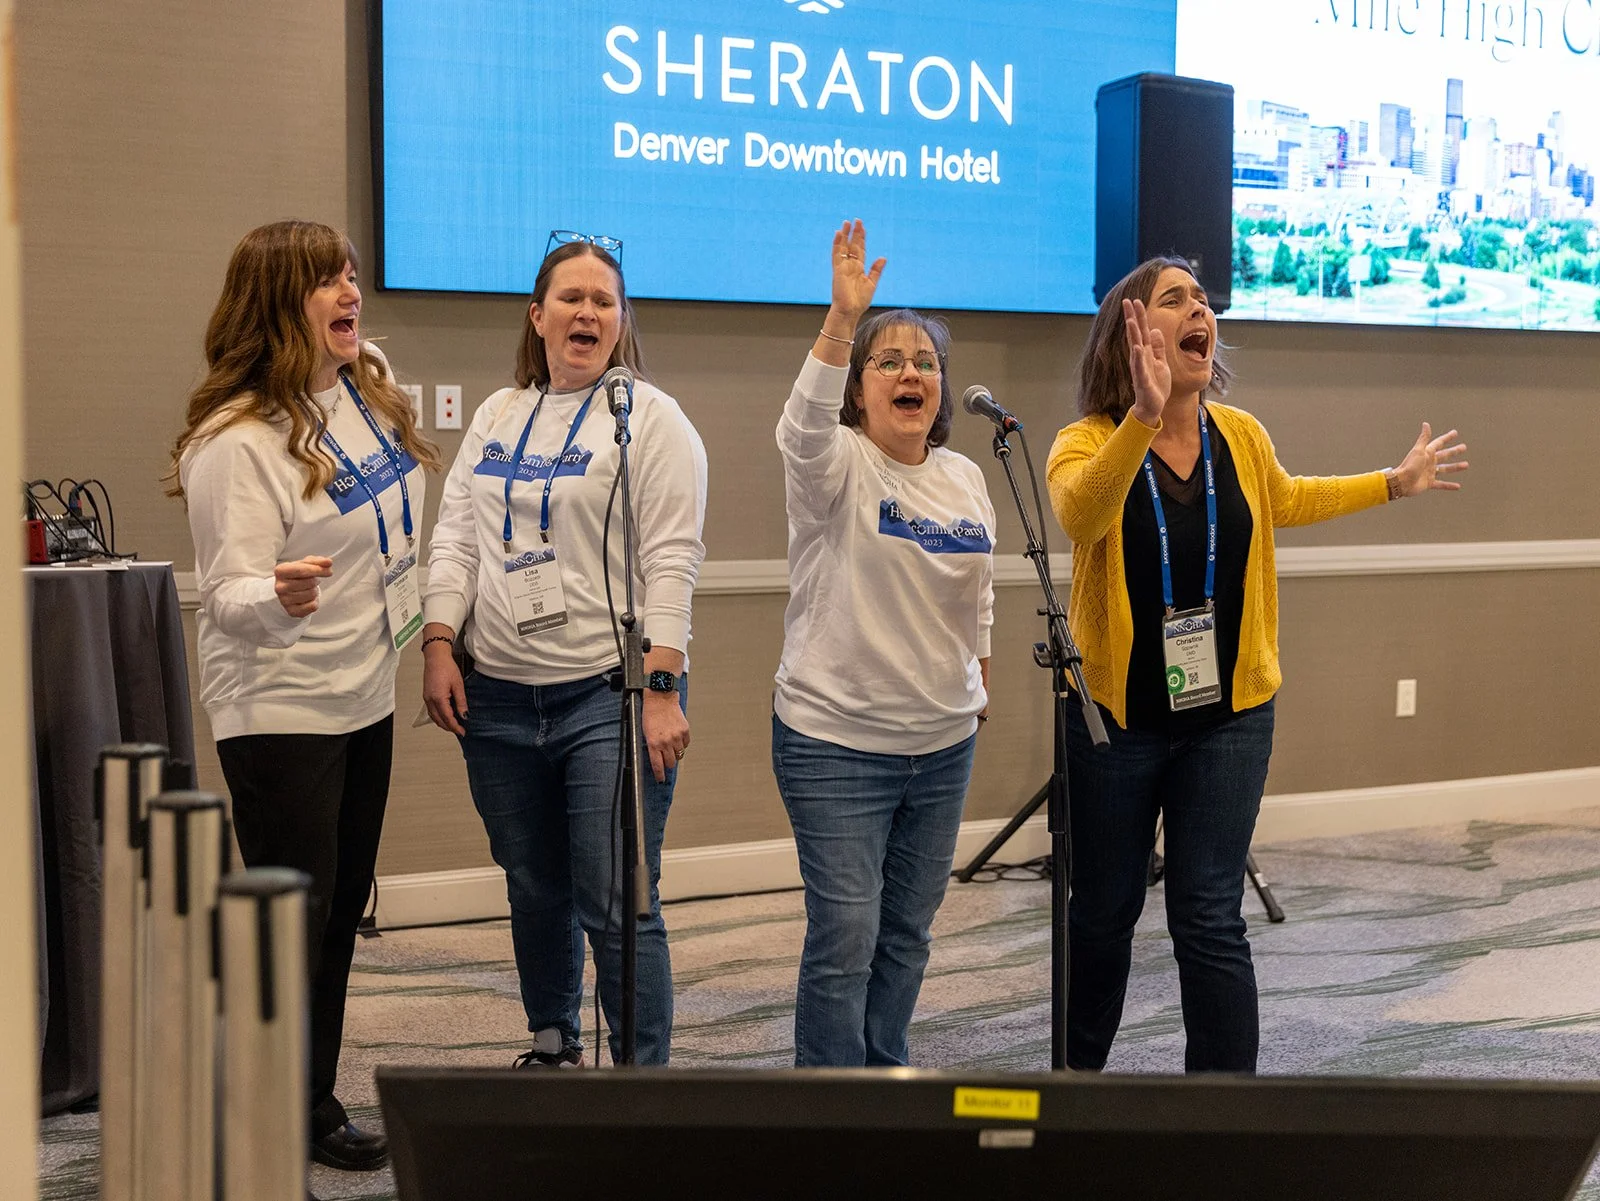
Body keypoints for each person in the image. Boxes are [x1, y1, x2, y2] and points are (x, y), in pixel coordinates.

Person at [1047, 257, 1468, 1073]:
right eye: (1176, 300)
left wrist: (1392, 482)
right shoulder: (1087, 441)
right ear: (1131, 333)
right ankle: (1076, 1092)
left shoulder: (1239, 435)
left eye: (1203, 301)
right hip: (1116, 722)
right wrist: (1140, 414)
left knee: (1208, 913)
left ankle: (1222, 1112)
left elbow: (1287, 497)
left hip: (1230, 717)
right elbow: (1082, 510)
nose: (1200, 309)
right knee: (1103, 912)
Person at [169, 219, 440, 1172]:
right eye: (326, 279)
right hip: (280, 709)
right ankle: (262, 1118)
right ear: (279, 302)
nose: (349, 291)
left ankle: (307, 1097)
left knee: (335, 912)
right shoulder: (236, 441)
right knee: (292, 920)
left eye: (352, 273)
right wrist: (277, 593)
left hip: (362, 689)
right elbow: (225, 590)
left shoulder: (361, 392)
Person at [420, 232, 706, 1067]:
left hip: (605, 698)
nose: (587, 312)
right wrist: (440, 641)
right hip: (499, 700)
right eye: (571, 298)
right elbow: (455, 540)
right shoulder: (498, 415)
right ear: (537, 315)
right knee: (534, 886)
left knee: (619, 897)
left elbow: (671, 560)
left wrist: (661, 687)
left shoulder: (649, 420)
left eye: (604, 301)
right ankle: (552, 1041)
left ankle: (642, 1078)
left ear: (622, 321)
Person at [772, 220, 997, 1067]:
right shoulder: (835, 466)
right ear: (858, 388)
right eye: (889, 361)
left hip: (940, 747)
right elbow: (798, 430)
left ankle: (882, 1075)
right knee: (847, 934)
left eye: (926, 363)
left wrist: (976, 666)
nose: (912, 373)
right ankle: (829, 1116)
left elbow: (979, 591)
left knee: (906, 932)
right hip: (836, 743)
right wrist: (840, 320)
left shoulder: (966, 475)